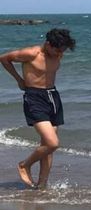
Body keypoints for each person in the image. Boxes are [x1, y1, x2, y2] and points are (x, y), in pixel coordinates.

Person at [0, 28, 76, 188]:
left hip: (53, 97)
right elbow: (4, 59)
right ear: (48, 44)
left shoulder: (58, 53)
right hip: (34, 98)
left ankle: (42, 185)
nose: (59, 54)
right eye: (57, 50)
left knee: (47, 147)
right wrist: (19, 80)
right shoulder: (31, 53)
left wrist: (59, 51)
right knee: (52, 143)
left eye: (62, 50)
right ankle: (25, 165)